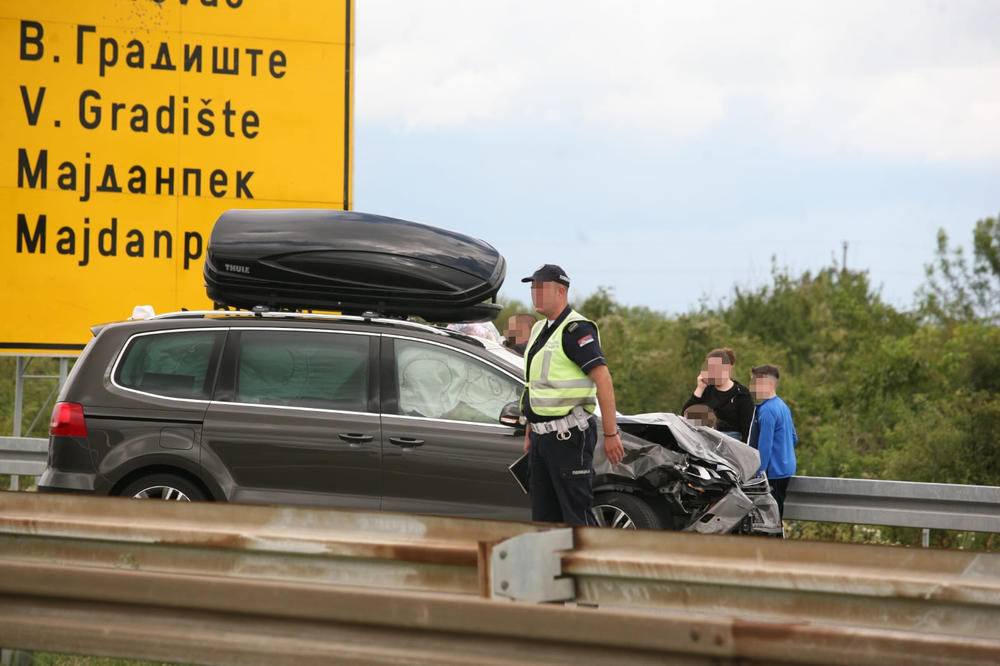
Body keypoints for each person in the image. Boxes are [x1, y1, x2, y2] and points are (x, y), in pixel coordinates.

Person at [520, 264, 625, 525]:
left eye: (541, 288)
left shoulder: (576, 329)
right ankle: (552, 566)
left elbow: (603, 379)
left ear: (561, 292)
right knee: (544, 518)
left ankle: (585, 565)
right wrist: (530, 430)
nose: (535, 294)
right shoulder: (538, 330)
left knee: (576, 515)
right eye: (533, 288)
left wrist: (611, 433)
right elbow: (534, 386)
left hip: (569, 437)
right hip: (543, 438)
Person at [748, 364, 798, 519]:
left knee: (772, 518)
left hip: (774, 472)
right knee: (777, 511)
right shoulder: (782, 406)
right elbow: (794, 438)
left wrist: (759, 473)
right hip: (786, 468)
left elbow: (765, 445)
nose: (752, 387)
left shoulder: (767, 410)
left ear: (769, 384)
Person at [681, 348, 754, 441]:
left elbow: (748, 429)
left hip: (731, 443)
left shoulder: (742, 394)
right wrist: (700, 388)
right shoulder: (707, 390)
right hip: (706, 439)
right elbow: (685, 417)